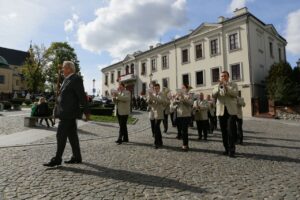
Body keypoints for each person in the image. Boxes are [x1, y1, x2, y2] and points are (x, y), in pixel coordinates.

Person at [43, 61, 90, 167]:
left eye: (64, 68)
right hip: (66, 112)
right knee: (72, 136)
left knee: (60, 135)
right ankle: (77, 157)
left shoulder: (76, 79)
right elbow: (63, 97)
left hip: (69, 113)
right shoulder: (66, 80)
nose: (62, 70)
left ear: (69, 69)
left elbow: (82, 97)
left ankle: (57, 159)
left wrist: (87, 112)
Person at [212, 71, 238, 158]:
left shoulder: (233, 84)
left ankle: (232, 150)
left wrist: (226, 87)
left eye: (225, 76)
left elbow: (235, 94)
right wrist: (219, 87)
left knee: (230, 130)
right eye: (222, 76)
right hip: (221, 111)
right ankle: (226, 149)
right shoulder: (216, 85)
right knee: (223, 131)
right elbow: (213, 95)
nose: (223, 77)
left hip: (231, 110)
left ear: (228, 77)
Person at [173, 84, 193, 151]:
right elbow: (173, 104)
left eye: (183, 88)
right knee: (181, 130)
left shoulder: (189, 95)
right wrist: (175, 100)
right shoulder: (178, 95)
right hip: (179, 115)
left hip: (186, 115)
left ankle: (185, 145)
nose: (182, 89)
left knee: (185, 130)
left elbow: (190, 103)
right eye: (181, 88)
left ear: (186, 89)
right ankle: (184, 143)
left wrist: (183, 98)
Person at [147, 83, 167, 148]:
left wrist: (152, 97)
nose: (156, 89)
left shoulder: (162, 94)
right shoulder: (153, 94)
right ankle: (160, 142)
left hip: (159, 113)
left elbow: (160, 101)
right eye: (155, 88)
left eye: (157, 88)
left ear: (159, 88)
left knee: (156, 127)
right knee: (156, 128)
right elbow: (149, 102)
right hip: (153, 112)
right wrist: (149, 99)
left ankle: (156, 142)